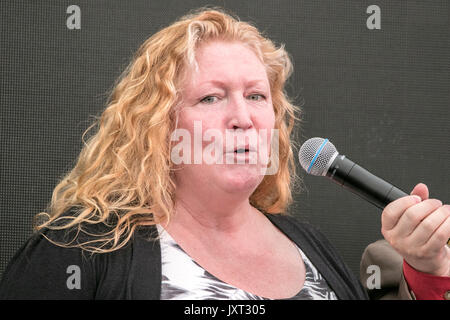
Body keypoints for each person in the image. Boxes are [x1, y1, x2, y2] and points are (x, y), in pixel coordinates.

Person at [0, 8, 448, 300]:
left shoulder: (312, 248)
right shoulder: (81, 249)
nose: (243, 117)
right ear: (160, 125)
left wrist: (426, 271)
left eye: (256, 97)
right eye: (211, 98)